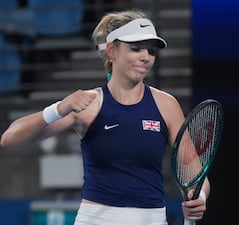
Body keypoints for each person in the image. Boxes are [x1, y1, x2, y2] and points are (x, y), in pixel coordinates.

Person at [0, 9, 210, 225]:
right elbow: (10, 140)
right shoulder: (87, 104)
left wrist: (200, 197)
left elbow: (195, 176)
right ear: (112, 51)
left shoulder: (166, 105)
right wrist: (58, 109)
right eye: (136, 48)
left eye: (151, 51)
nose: (146, 57)